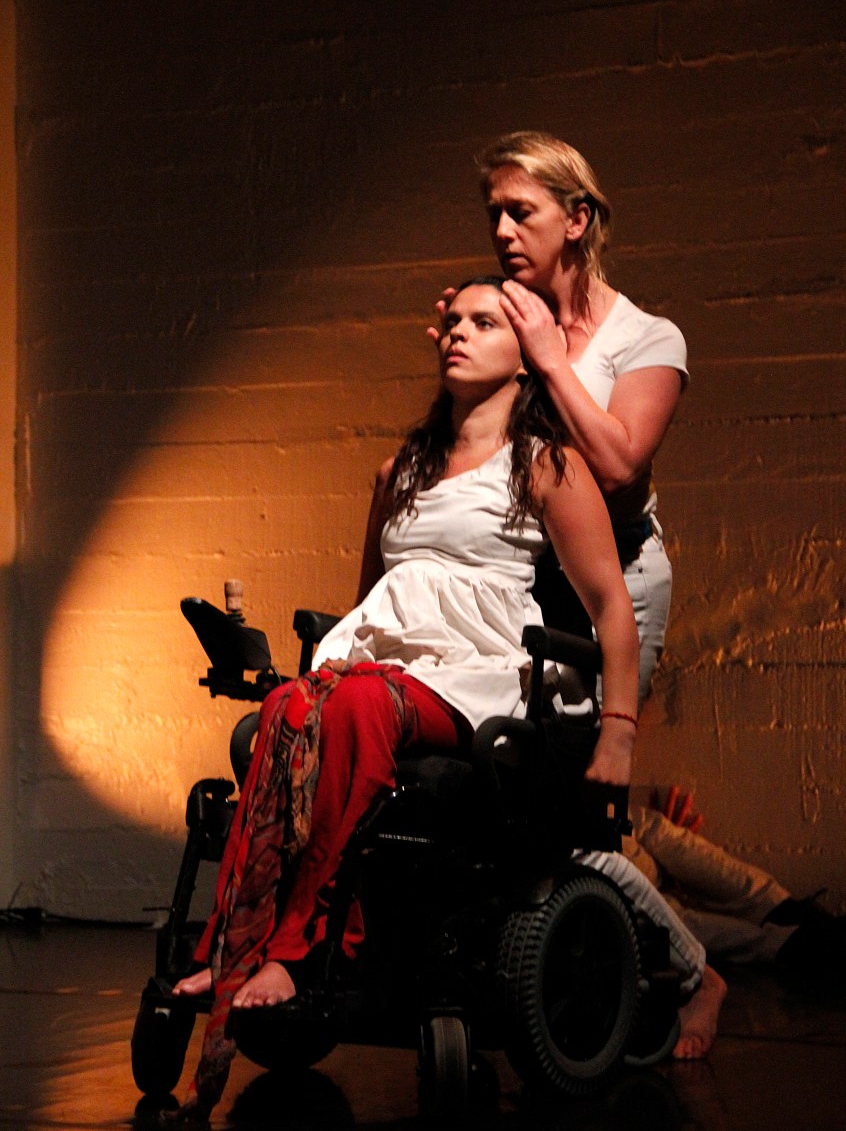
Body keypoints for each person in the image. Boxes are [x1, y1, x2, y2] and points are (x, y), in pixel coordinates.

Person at [172, 279, 718, 1116]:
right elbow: (369, 600)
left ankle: (298, 946)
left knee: (356, 707)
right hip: (387, 664)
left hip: (475, 672)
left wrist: (618, 727)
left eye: (483, 321)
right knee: (286, 708)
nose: (459, 332)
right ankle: (233, 946)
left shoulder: (545, 464)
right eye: (453, 320)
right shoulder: (400, 470)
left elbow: (611, 604)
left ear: (524, 354)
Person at [434, 131, 688, 706]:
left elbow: (618, 468)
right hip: (518, 576)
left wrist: (549, 360)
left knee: (591, 745)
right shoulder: (500, 324)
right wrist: (460, 371)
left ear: (576, 220)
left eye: (521, 213)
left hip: (613, 581)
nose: (503, 232)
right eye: (494, 214)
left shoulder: (646, 338)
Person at [627, 789, 846, 986]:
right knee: (693, 929)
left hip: (637, 861)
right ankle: (799, 940)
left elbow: (649, 827)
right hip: (628, 903)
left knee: (754, 896)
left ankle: (794, 921)